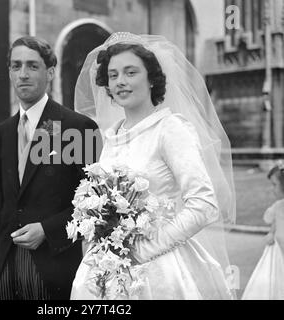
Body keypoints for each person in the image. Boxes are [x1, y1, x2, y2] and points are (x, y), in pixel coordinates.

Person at [71, 32, 237, 299]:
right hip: (108, 266)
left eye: (130, 72)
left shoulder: (170, 129)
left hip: (161, 269)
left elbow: (204, 205)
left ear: (151, 79)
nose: (120, 82)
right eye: (113, 75)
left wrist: (144, 249)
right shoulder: (111, 136)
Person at [0, 36, 101, 300]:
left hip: (55, 266)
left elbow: (95, 201)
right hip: (9, 268)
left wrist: (47, 229)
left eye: (32, 66)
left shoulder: (78, 127)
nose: (23, 74)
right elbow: (3, 202)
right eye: (16, 66)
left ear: (50, 72)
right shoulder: (5, 131)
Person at [242, 161, 284, 300]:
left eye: (274, 185)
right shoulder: (278, 206)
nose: (272, 189)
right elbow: (272, 222)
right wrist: (271, 233)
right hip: (279, 253)